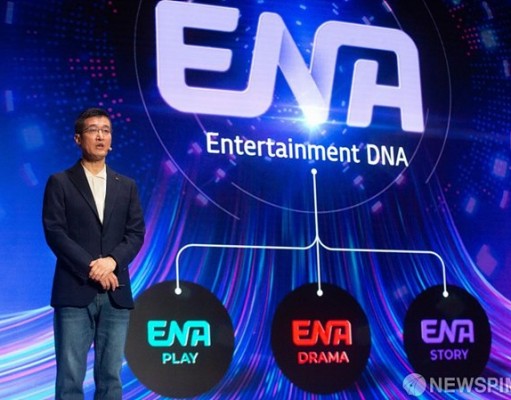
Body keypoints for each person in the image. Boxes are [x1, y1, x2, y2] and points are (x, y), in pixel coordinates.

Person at [42, 107, 145, 399]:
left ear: (110, 140)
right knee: (70, 380)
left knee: (111, 379)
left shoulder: (126, 186)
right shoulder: (60, 182)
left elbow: (136, 233)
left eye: (106, 130)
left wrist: (112, 261)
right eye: (92, 130)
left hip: (115, 292)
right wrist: (92, 267)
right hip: (74, 290)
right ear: (78, 138)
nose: (100, 136)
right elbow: (55, 232)